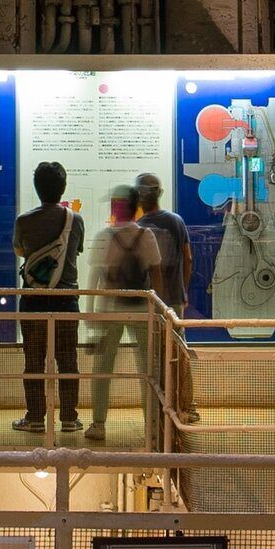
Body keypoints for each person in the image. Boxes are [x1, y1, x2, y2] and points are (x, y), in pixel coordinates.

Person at [81, 186, 166, 439]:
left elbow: (94, 280)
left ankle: (98, 424)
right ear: (135, 206)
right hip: (142, 311)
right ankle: (152, 426)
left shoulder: (104, 236)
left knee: (102, 370)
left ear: (116, 207)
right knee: (148, 371)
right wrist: (158, 310)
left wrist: (90, 317)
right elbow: (156, 276)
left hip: (110, 310)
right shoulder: (146, 235)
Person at [11, 161, 82, 434]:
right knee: (67, 358)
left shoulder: (24, 220)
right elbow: (77, 251)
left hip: (34, 298)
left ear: (37, 188)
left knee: (33, 359)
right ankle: (68, 418)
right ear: (63, 187)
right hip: (67, 299)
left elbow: (19, 250)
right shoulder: (75, 220)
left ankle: (36, 418)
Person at [130, 171, 203, 425]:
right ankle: (187, 407)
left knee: (151, 358)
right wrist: (183, 291)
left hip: (149, 304)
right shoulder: (176, 221)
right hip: (174, 301)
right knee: (179, 353)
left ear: (138, 198)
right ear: (159, 194)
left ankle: (156, 412)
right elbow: (189, 258)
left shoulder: (138, 229)